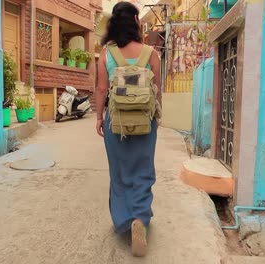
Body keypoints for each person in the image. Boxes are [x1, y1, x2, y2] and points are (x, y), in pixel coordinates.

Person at [95, 1, 162, 257]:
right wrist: (157, 117)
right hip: (145, 121)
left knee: (120, 171)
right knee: (143, 170)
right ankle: (140, 220)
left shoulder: (106, 54)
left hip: (117, 122)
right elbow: (158, 91)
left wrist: (100, 117)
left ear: (114, 24)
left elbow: (102, 89)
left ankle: (124, 220)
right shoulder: (151, 53)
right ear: (136, 22)